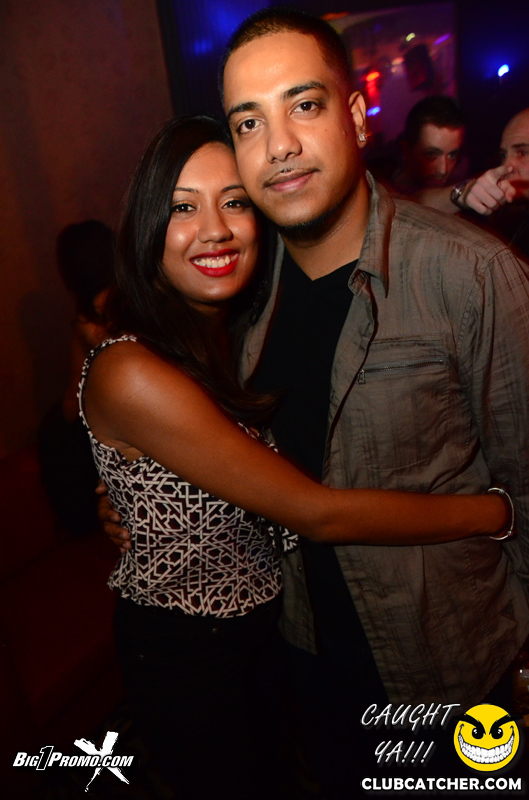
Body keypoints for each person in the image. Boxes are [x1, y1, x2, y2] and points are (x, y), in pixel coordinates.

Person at [90, 113, 510, 798]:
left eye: (234, 202)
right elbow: (315, 513)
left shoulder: (234, 331)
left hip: (271, 635)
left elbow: (362, 219)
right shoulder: (131, 368)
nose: (215, 229)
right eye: (183, 208)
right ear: (146, 227)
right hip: (191, 654)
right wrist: (493, 512)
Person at [217, 7, 529, 794]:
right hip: (308, 661)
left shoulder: (472, 275)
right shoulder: (239, 297)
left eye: (303, 104)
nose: (277, 144)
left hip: (450, 673)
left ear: (356, 117)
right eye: (248, 123)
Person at [38, 220, 114, 535]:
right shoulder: (146, 290)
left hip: (131, 420)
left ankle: (78, 525)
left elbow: (73, 403)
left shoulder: (89, 323)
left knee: (56, 428)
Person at [422, 107, 529, 261]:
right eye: (503, 155)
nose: (506, 165)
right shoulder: (505, 211)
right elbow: (411, 203)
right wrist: (463, 193)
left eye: (522, 153)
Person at [380, 95, 466, 196]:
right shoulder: (384, 195)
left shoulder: (456, 180)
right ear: (406, 151)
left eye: (452, 155)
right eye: (431, 155)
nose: (443, 170)